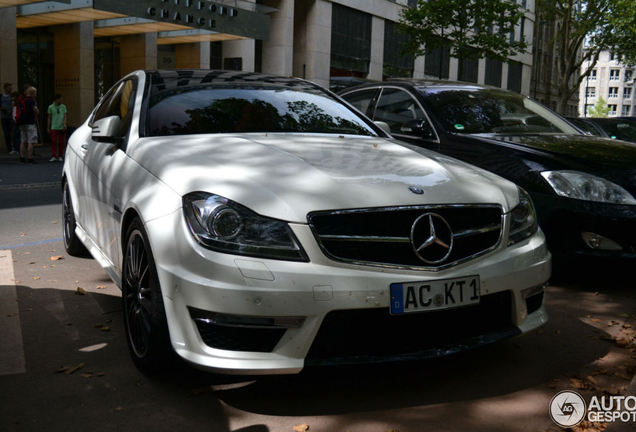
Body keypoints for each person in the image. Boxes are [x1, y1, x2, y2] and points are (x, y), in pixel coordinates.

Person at [19, 86, 39, 165]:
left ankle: (22, 157)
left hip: (22, 122)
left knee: (23, 140)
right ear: (33, 93)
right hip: (30, 122)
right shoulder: (31, 101)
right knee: (31, 141)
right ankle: (30, 158)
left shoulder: (23, 100)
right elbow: (36, 111)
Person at [47, 94, 67, 162]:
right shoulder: (51, 107)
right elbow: (49, 117)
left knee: (61, 142)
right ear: (56, 99)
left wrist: (64, 125)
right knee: (53, 141)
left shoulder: (63, 107)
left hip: (61, 126)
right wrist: (48, 127)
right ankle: (54, 155)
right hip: (54, 126)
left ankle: (60, 155)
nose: (61, 100)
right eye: (60, 99)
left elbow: (65, 116)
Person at [1, 83, 17, 154]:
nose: (10, 89)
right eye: (9, 88)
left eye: (11, 88)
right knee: (6, 133)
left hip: (11, 117)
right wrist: (5, 110)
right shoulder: (1, 96)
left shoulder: (12, 96)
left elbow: (15, 104)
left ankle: (14, 147)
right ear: (5, 88)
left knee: (12, 132)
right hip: (4, 117)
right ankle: (9, 147)